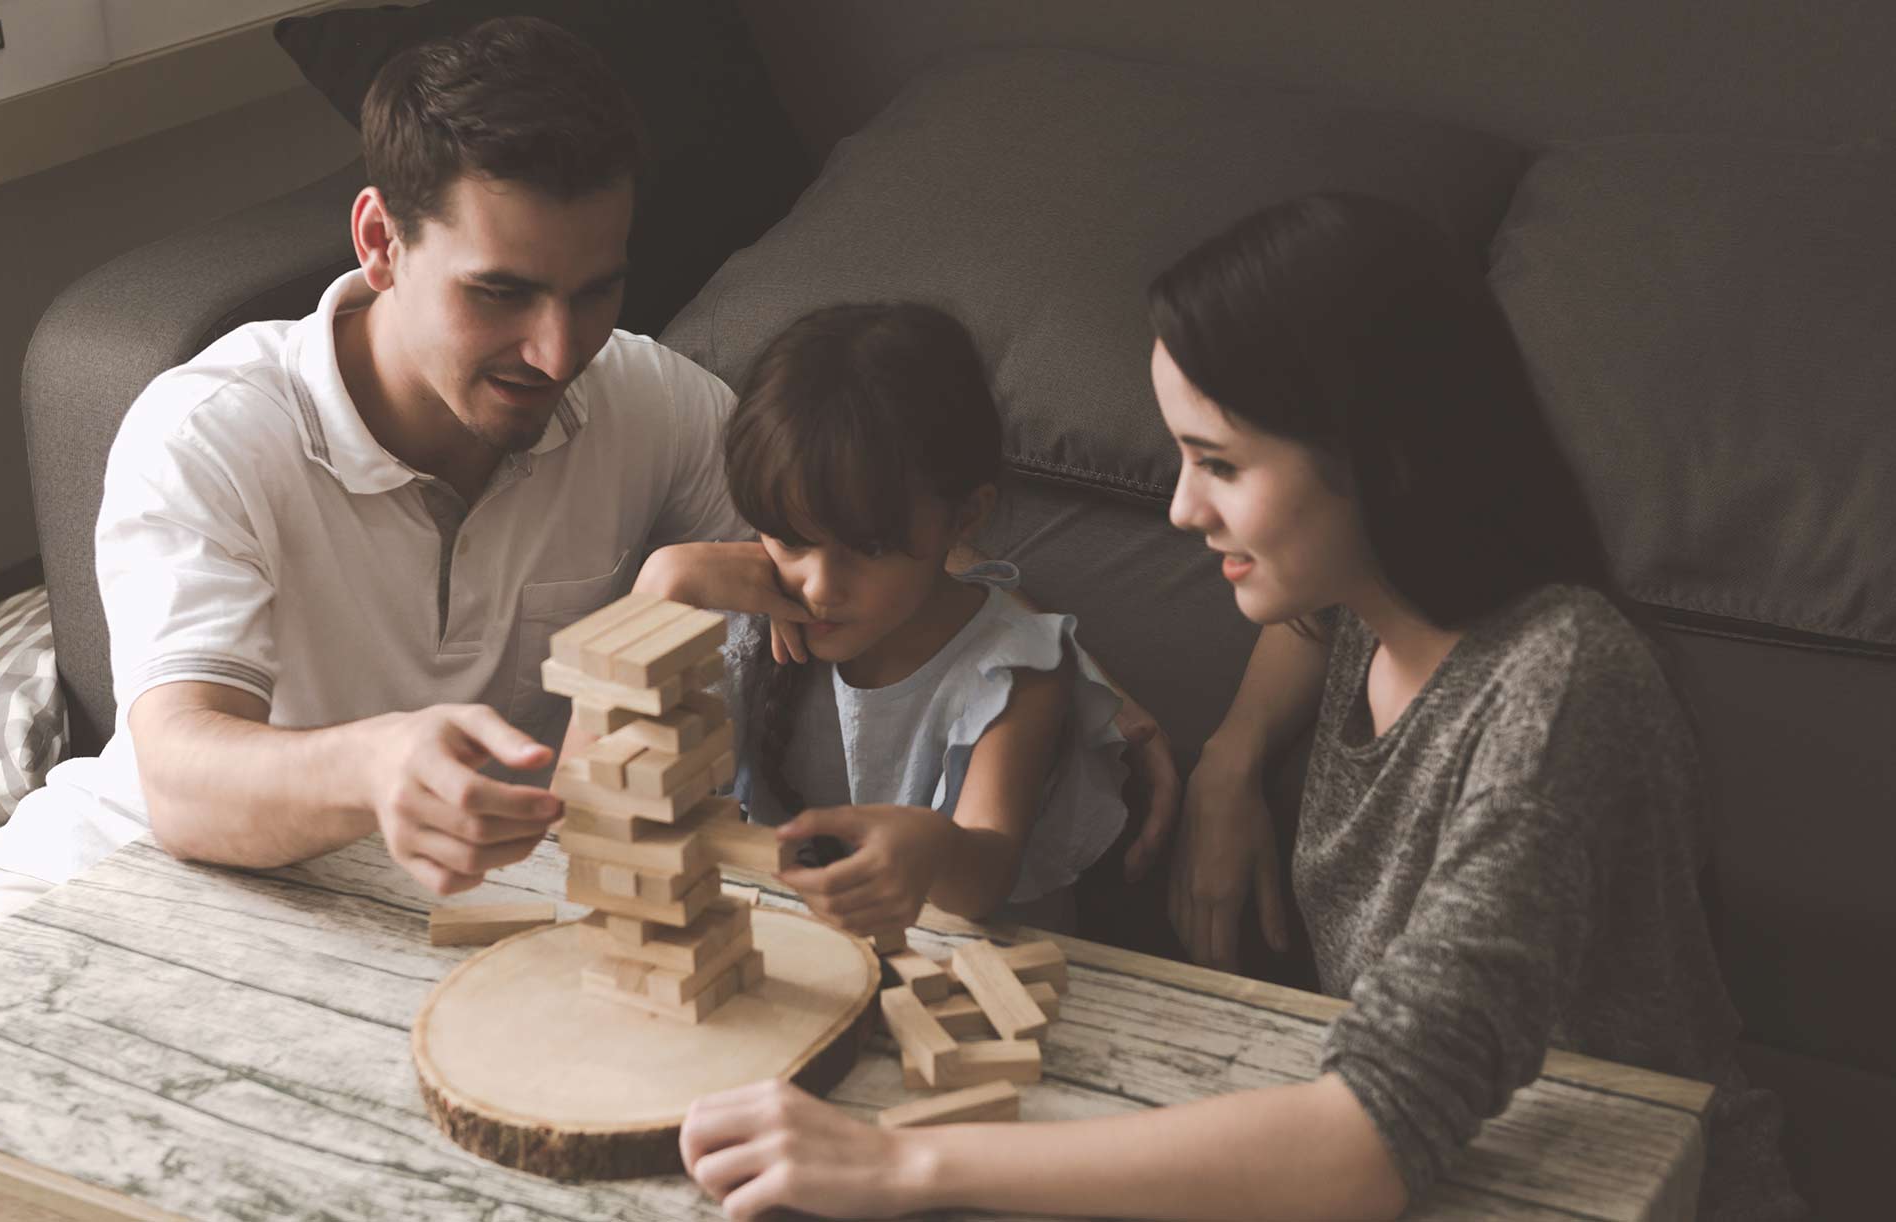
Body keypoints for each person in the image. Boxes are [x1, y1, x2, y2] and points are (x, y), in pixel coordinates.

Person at [676, 193, 1804, 1219]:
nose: (1177, 510)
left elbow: (1368, 1142)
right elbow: (1302, 627)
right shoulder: (1372, 602)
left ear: (1378, 456)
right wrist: (1229, 762)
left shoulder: (1559, 690)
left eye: (1219, 463)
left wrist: (897, 1163)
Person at [0, 16, 790, 979]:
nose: (558, 350)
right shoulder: (211, 428)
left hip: (422, 927)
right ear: (380, 241)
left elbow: (869, 574)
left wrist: (676, 588)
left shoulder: (646, 399)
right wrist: (374, 765)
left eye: (595, 291)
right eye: (500, 293)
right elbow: (182, 776)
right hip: (129, 871)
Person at [635, 303, 1131, 934]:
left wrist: (931, 847)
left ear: (965, 518)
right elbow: (590, 800)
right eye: (790, 540)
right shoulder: (741, 620)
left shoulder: (1015, 669)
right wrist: (661, 586)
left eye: (867, 549)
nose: (818, 587)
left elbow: (982, 880)